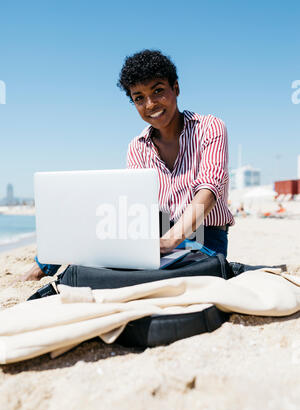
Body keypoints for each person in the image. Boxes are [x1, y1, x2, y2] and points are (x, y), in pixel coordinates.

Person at [23, 49, 234, 281]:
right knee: (92, 219)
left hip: (204, 237)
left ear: (176, 88)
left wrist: (172, 239)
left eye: (158, 91)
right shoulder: (137, 146)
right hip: (155, 237)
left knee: (101, 273)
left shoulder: (209, 127)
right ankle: (44, 265)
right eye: (139, 98)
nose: (150, 103)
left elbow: (209, 189)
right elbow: (137, 205)